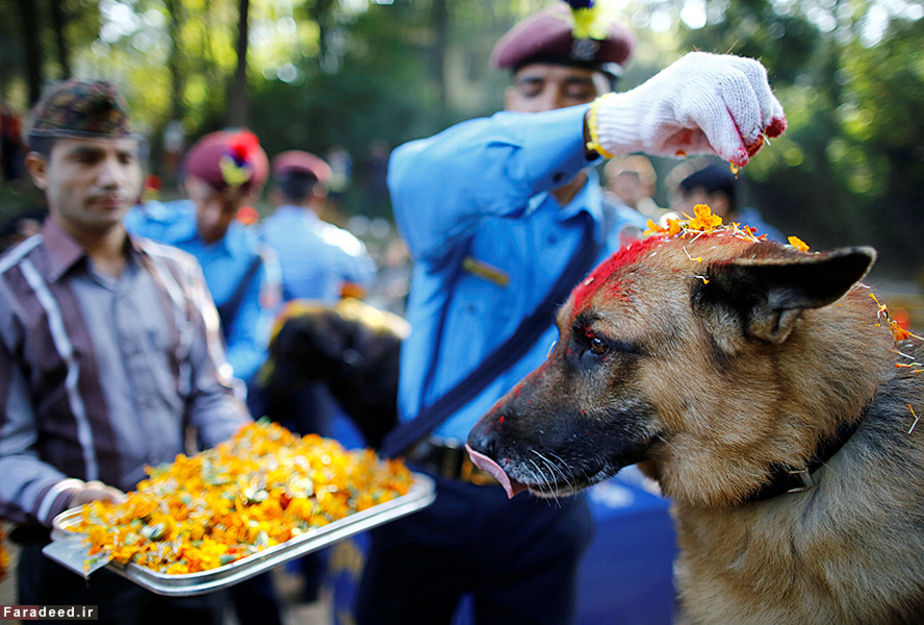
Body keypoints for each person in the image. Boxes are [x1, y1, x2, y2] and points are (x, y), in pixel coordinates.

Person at [357, 2, 786, 624]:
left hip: (545, 506)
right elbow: (414, 172)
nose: (553, 105)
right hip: (425, 495)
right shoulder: (457, 211)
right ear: (508, 103)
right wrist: (599, 121)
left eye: (578, 92)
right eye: (535, 90)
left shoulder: (629, 246)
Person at [0, 79, 250, 625]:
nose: (112, 177)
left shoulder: (179, 275)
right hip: (71, 569)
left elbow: (211, 392)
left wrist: (242, 448)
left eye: (123, 158)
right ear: (40, 169)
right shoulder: (9, 295)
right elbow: (3, 452)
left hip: (188, 550)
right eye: (86, 158)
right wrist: (65, 497)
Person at [125, 129, 281, 387]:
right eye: (206, 200)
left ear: (248, 200)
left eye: (230, 207)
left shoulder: (256, 260)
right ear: (190, 184)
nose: (214, 216)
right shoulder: (145, 229)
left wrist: (209, 383)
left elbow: (249, 345)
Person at [261, 150, 376, 304]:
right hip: (313, 327)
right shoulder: (340, 244)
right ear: (319, 196)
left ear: (275, 194)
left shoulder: (253, 238)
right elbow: (366, 280)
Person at [674, 161, 785, 242]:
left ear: (719, 203)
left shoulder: (762, 242)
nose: (678, 208)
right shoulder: (687, 238)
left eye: (686, 199)